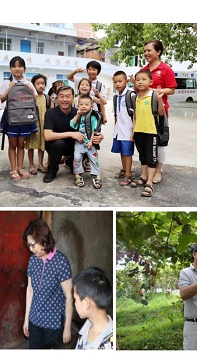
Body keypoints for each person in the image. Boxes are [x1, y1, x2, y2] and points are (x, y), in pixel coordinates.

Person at [23, 218, 73, 349]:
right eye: (28, 245)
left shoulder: (61, 262)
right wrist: (26, 319)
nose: (30, 249)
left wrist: (67, 327)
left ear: (43, 241)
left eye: (32, 245)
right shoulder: (33, 260)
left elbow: (69, 297)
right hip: (35, 320)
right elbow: (30, 290)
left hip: (53, 325)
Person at [42, 85, 104, 183]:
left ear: (73, 98)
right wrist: (70, 134)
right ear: (57, 98)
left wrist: (100, 136)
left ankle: (71, 162)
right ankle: (52, 170)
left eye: (68, 96)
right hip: (55, 146)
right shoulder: (50, 113)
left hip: (74, 145)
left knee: (87, 144)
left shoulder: (79, 112)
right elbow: (47, 136)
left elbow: (92, 128)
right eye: (61, 96)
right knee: (59, 144)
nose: (65, 99)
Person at [140, 40, 177, 184]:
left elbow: (172, 89)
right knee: (147, 141)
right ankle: (149, 168)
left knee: (160, 141)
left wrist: (156, 91)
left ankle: (158, 170)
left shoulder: (165, 69)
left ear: (158, 52)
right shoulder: (144, 70)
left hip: (160, 111)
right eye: (144, 51)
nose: (146, 54)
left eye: (149, 50)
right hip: (145, 111)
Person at [0, 56, 38, 182]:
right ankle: (13, 169)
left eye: (20, 66)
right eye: (14, 66)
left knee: (21, 144)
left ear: (24, 69)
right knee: (12, 144)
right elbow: (0, 100)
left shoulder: (29, 83)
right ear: (10, 68)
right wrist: (10, 88)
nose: (17, 69)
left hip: (25, 118)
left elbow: (34, 101)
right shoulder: (6, 83)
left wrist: (32, 90)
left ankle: (20, 168)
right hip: (12, 118)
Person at [130, 70, 165, 197]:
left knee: (152, 158)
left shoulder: (154, 95)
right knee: (142, 156)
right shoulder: (135, 97)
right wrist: (133, 131)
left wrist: (160, 100)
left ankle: (149, 183)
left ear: (151, 81)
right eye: (138, 79)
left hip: (151, 132)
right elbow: (134, 116)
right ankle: (143, 177)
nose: (140, 82)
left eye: (143, 79)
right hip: (139, 132)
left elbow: (161, 113)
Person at [72, 267, 114, 350]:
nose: (74, 304)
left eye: (75, 299)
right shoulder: (88, 324)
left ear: (86, 303)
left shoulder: (108, 345)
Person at [69, 94, 102, 189]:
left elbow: (95, 130)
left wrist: (91, 142)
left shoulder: (93, 116)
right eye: (81, 104)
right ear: (78, 105)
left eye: (86, 105)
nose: (83, 106)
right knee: (76, 157)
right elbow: (72, 124)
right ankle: (77, 174)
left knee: (94, 158)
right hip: (79, 143)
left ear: (91, 106)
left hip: (90, 143)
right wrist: (77, 115)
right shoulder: (79, 115)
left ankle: (97, 175)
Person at [111, 70, 135, 186]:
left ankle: (128, 174)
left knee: (127, 152)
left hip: (128, 129)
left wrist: (134, 131)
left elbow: (136, 115)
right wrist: (115, 128)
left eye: (120, 81)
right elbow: (116, 114)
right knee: (121, 151)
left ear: (126, 81)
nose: (118, 84)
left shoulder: (131, 95)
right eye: (115, 82)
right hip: (118, 130)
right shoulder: (116, 97)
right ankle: (124, 169)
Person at [25, 74, 49, 175]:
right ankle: (31, 165)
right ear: (33, 85)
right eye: (38, 83)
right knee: (31, 145)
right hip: (33, 124)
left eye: (42, 83)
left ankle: (40, 164)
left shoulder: (46, 97)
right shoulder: (31, 97)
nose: (40, 86)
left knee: (41, 145)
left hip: (44, 125)